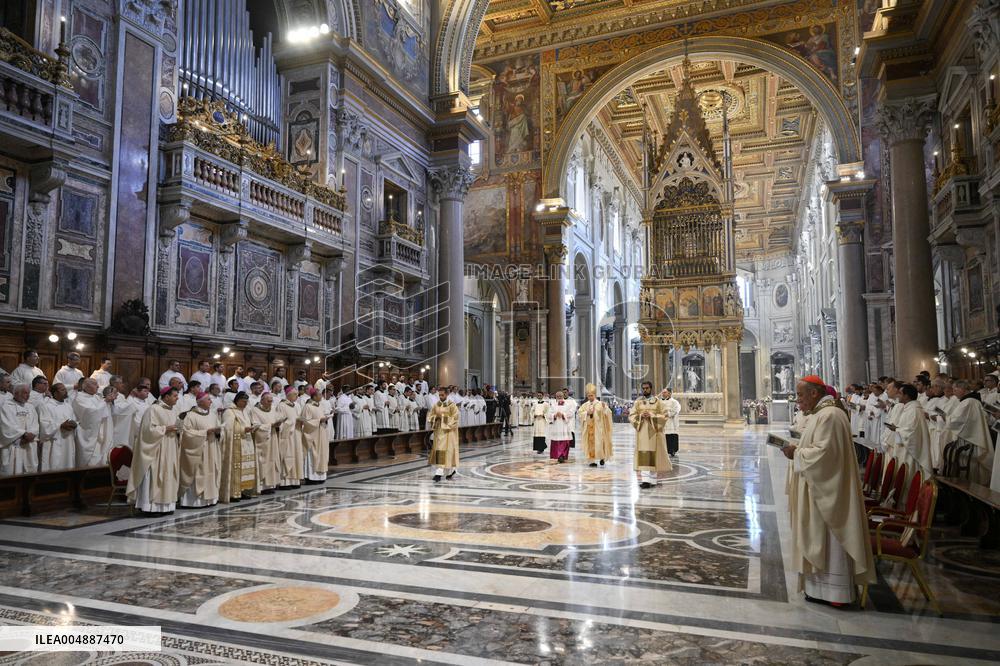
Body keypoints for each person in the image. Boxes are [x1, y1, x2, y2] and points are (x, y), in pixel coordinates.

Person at [781, 375, 875, 607]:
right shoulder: (821, 414)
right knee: (817, 536)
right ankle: (818, 589)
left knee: (829, 539)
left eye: (801, 394)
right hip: (817, 487)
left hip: (827, 490)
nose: (798, 399)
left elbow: (825, 455)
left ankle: (837, 593)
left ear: (814, 393)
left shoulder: (830, 415)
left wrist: (797, 453)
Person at [127, 386, 181, 515]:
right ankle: (150, 507)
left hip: (170, 447)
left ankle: (166, 506)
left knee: (168, 475)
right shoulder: (153, 409)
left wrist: (178, 429)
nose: (177, 398)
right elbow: (147, 431)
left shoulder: (173, 410)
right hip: (156, 449)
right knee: (155, 475)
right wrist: (165, 429)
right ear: (166, 396)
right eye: (174, 395)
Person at [943, 379, 993, 485]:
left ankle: (970, 486)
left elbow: (956, 421)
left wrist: (946, 417)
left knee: (969, 465)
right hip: (971, 437)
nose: (953, 392)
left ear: (962, 389)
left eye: (955, 389)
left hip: (969, 439)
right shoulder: (972, 400)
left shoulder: (968, 402)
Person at [178, 392, 222, 508]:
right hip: (198, 450)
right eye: (208, 399)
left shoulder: (212, 414)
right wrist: (204, 433)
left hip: (211, 447)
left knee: (211, 470)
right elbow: (186, 434)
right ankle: (194, 502)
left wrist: (218, 432)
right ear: (200, 402)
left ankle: (211, 499)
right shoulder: (191, 416)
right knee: (199, 472)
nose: (211, 402)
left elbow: (218, 428)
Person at [884, 383, 933, 481]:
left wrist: (896, 429)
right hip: (904, 447)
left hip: (910, 451)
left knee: (908, 475)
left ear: (906, 396)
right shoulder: (908, 408)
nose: (898, 395)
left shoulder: (914, 410)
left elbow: (911, 432)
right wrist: (897, 429)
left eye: (900, 393)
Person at [629, 381, 671, 488]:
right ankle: (645, 480)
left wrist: (651, 416)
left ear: (651, 389)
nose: (645, 390)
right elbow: (632, 415)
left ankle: (652, 481)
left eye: (647, 388)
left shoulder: (658, 402)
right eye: (643, 388)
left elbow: (665, 415)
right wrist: (640, 416)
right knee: (644, 455)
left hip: (654, 433)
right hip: (642, 432)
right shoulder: (638, 402)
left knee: (654, 456)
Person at [220, 391, 258, 502]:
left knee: (247, 469)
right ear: (237, 400)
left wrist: (252, 427)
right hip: (236, 444)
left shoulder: (245, 411)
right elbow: (227, 428)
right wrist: (243, 429)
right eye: (243, 401)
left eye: (247, 401)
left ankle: (244, 491)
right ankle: (234, 492)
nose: (245, 404)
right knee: (237, 469)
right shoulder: (229, 412)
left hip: (247, 443)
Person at [73, 378, 114, 467]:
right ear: (86, 386)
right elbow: (90, 414)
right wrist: (105, 401)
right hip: (88, 434)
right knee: (90, 462)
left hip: (99, 434)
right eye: (95, 384)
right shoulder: (79, 397)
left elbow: (102, 410)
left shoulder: (96, 397)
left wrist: (107, 402)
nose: (98, 386)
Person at [1, 385, 40, 475]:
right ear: (16, 393)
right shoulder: (6, 406)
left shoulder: (30, 407)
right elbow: (6, 425)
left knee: (29, 473)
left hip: (29, 444)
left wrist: (31, 434)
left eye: (29, 393)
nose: (28, 396)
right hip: (13, 444)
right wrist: (23, 434)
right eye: (25, 393)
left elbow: (35, 424)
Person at [37, 382, 77, 471]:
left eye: (65, 389)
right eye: (62, 390)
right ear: (55, 393)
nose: (66, 391)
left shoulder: (68, 406)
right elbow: (44, 426)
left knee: (68, 465)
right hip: (53, 443)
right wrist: (60, 426)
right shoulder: (46, 406)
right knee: (54, 466)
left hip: (68, 443)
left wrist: (75, 424)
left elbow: (73, 420)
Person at [249, 392, 281, 494]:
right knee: (263, 461)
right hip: (262, 441)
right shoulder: (255, 410)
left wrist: (277, 425)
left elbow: (276, 420)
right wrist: (270, 426)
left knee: (273, 460)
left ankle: (271, 484)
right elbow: (255, 426)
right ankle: (262, 486)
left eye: (271, 401)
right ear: (262, 400)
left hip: (272, 438)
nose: (271, 403)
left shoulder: (273, 409)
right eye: (268, 401)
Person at [427, 387, 459, 482]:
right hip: (439, 432)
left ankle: (450, 471)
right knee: (439, 451)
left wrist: (442, 418)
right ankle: (439, 472)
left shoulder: (452, 405)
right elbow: (430, 416)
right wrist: (434, 418)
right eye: (439, 395)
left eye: (442, 395)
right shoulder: (436, 405)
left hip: (449, 433)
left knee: (448, 452)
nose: (440, 397)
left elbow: (455, 418)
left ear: (447, 394)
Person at [298, 388, 330, 483]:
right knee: (312, 456)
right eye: (320, 395)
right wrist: (319, 421)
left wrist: (325, 419)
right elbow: (304, 421)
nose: (321, 396)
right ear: (314, 396)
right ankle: (311, 477)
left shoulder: (320, 406)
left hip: (321, 433)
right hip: (312, 435)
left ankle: (320, 477)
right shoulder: (307, 406)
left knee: (322, 455)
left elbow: (321, 418)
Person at [578, 383, 613, 467]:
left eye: (592, 395)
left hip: (598, 428)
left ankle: (602, 458)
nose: (590, 397)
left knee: (600, 443)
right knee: (590, 444)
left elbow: (608, 413)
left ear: (595, 395)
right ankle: (592, 461)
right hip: (588, 428)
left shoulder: (600, 404)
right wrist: (587, 413)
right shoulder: (585, 405)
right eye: (589, 396)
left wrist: (605, 408)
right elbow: (579, 413)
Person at [275, 386, 302, 488]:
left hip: (296, 434)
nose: (297, 396)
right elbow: (279, 421)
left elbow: (297, 417)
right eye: (295, 394)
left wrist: (300, 421)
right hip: (287, 436)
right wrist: (292, 423)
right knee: (287, 456)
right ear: (288, 394)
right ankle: (285, 482)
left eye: (297, 394)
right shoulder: (282, 405)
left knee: (296, 456)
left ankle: (295, 480)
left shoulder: (296, 406)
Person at [660, 387, 681, 457]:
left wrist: (668, 414)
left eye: (664, 392)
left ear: (669, 393)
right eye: (662, 392)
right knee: (663, 436)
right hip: (662, 421)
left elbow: (676, 410)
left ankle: (672, 450)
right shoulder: (659, 401)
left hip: (670, 421)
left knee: (671, 436)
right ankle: (664, 450)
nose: (663, 393)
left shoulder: (674, 402)